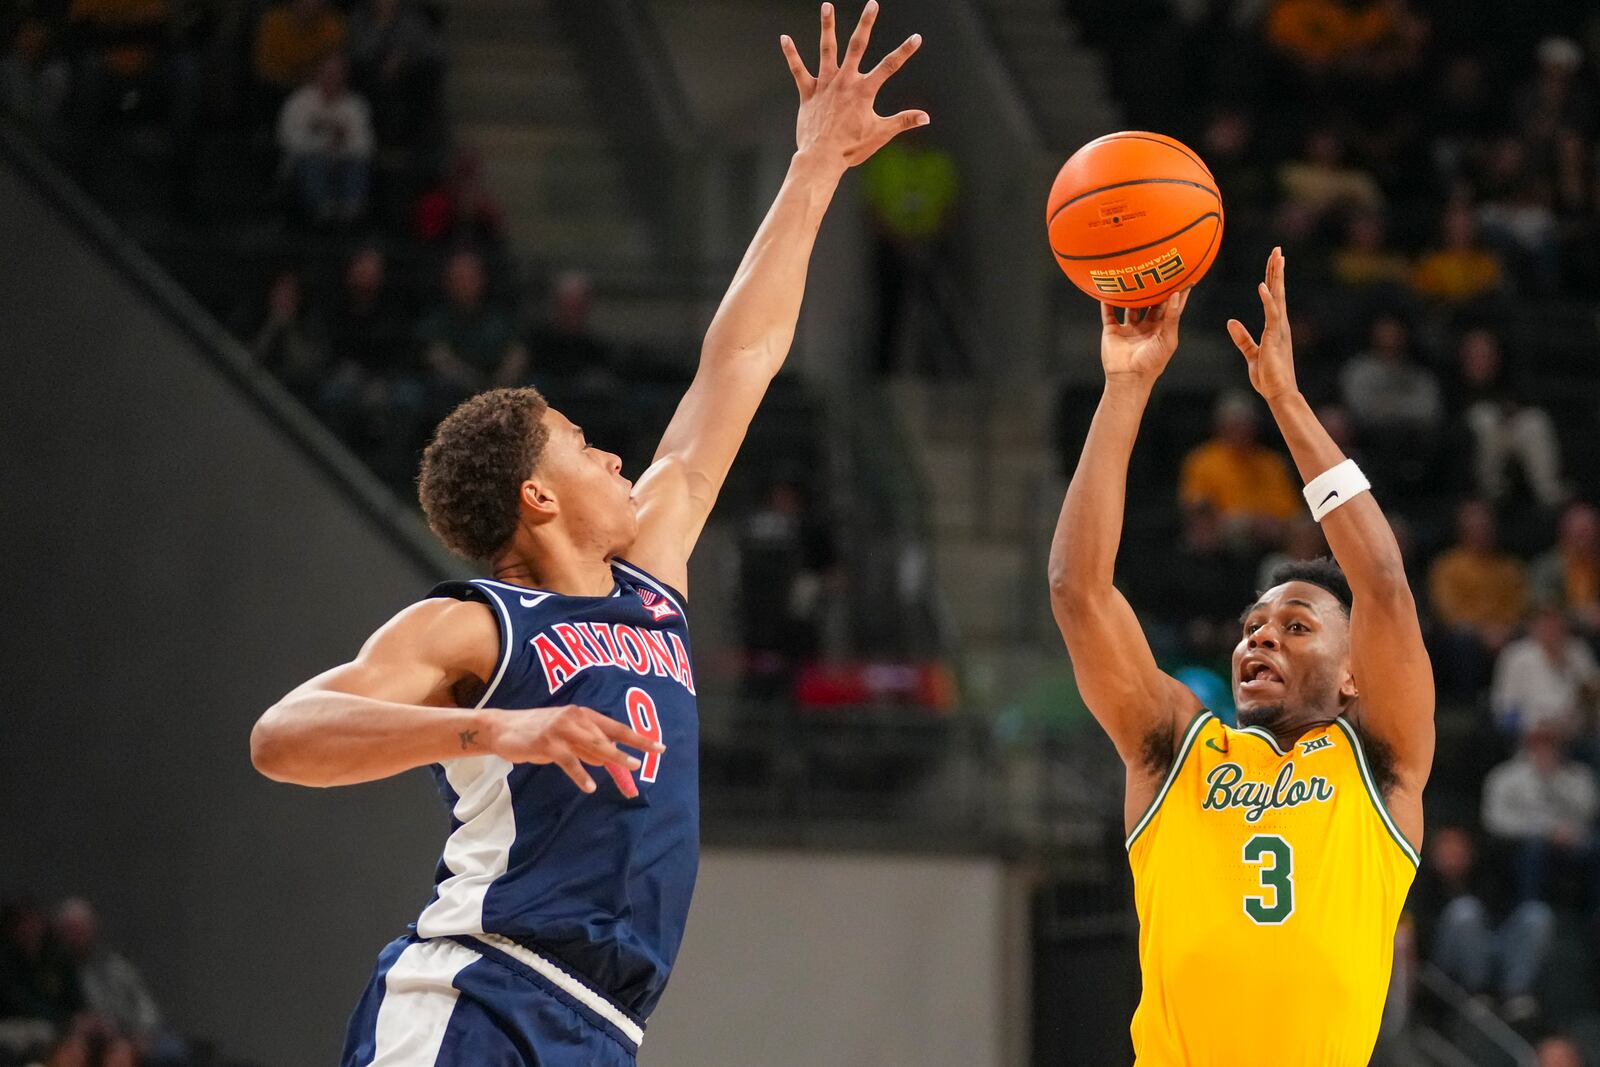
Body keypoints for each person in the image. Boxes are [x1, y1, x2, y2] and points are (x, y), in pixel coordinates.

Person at [248, 6, 927, 1064]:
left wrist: (814, 171)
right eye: (579, 444)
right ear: (536, 496)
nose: (615, 455)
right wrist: (495, 730)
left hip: (601, 1027)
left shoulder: (648, 577)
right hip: (476, 992)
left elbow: (735, 365)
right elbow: (281, 737)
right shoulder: (475, 626)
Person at [1049, 246, 1432, 1065]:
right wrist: (1125, 389)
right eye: (1253, 623)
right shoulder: (1178, 747)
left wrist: (1286, 403)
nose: (1259, 634)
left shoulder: (1380, 763)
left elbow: (1385, 586)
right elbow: (1077, 591)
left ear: (1354, 668)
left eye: (1296, 624)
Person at [1407, 826, 1552, 1021]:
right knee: (1464, 911)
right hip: (1443, 966)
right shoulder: (1420, 882)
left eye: (1457, 849)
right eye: (1446, 849)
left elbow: (1502, 915)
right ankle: (1476, 992)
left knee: (1536, 915)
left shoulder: (1486, 875)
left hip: (1490, 947)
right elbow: (1420, 935)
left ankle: (1515, 994)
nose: (1451, 856)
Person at [1482, 721, 1600, 910]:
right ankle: (1531, 912)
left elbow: (1589, 812)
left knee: (1595, 846)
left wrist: (1554, 780)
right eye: (1539, 741)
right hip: (1521, 845)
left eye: (1552, 742)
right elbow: (1495, 820)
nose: (1545, 747)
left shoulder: (1578, 776)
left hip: (1573, 843)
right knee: (1535, 848)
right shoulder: (1505, 776)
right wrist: (1545, 832)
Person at [1448, 326, 1567, 508]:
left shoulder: (1509, 382)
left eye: (1486, 355)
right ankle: (1490, 492)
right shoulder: (1450, 386)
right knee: (1485, 418)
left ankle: (1549, 493)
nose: (1481, 361)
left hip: (1508, 435)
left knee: (1535, 421)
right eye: (1475, 355)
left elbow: (1520, 406)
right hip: (1471, 450)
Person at [1177, 389, 1301, 550]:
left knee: (1304, 527)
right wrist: (1245, 520)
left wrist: (1264, 520)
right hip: (1222, 528)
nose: (1241, 431)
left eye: (1246, 425)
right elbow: (1197, 507)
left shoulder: (1272, 463)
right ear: (1220, 427)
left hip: (1271, 528)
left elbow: (1290, 510)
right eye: (1234, 425)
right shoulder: (1201, 461)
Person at [1428, 499, 1527, 693]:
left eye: (1485, 528)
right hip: (1467, 633)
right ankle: (1467, 702)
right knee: (1462, 641)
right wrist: (1482, 631)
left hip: (1505, 632)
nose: (1481, 533)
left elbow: (1520, 606)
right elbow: (1447, 610)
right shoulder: (1447, 566)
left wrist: (1503, 630)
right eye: (1475, 528)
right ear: (1462, 531)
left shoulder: (1509, 567)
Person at [417, 248, 529, 401]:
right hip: (455, 392)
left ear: (483, 279)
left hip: (500, 388)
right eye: (459, 278)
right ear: (447, 281)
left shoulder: (501, 315)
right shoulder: (437, 319)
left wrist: (498, 385)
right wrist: (476, 386)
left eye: (470, 277)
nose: (465, 284)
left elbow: (517, 353)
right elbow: (438, 356)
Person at [276, 52, 374, 225]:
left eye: (337, 73)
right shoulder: (299, 101)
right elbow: (288, 139)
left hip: (344, 160)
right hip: (308, 161)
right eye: (327, 72)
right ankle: (321, 211)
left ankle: (352, 212)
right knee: (313, 162)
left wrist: (339, 144)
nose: (331, 77)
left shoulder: (356, 105)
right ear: (317, 73)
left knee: (357, 164)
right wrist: (326, 140)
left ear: (345, 76)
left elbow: (365, 145)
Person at [1490, 606, 1600, 737]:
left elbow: (1593, 691)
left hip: (1573, 729)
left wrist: (1566, 664)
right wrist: (1533, 725)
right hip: (1531, 731)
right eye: (1546, 626)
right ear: (1534, 627)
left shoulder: (1577, 651)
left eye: (1556, 626)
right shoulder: (1516, 655)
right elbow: (1505, 704)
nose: (1551, 631)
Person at [1530, 503, 1600, 635]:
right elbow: (1544, 608)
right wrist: (1581, 616)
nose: (1587, 539)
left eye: (1591, 532)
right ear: (1565, 533)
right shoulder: (1546, 567)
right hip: (1563, 634)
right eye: (1581, 533)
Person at [253, 0, 347, 98]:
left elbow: (335, 67)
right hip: (275, 91)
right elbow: (266, 69)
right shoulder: (273, 23)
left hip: (317, 91)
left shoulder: (333, 27)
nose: (309, 5)